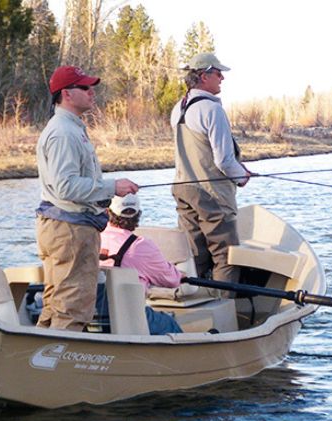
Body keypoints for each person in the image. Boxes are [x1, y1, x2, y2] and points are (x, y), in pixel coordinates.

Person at [35, 65, 138, 331]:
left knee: (57, 302)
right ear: (66, 94)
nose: (92, 92)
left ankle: (40, 364)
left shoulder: (69, 128)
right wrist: (112, 187)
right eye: (85, 87)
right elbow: (66, 187)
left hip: (65, 227)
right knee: (73, 306)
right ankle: (60, 366)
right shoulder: (63, 133)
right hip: (71, 230)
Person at [169, 52, 251, 289]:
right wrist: (242, 176)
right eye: (218, 73)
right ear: (204, 76)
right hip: (211, 194)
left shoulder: (179, 108)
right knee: (226, 256)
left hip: (184, 190)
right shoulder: (212, 110)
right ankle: (224, 311)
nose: (222, 78)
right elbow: (224, 160)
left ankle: (199, 304)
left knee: (194, 255)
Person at [99, 194, 183, 335]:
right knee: (168, 322)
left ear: (107, 212)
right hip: (128, 315)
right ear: (138, 214)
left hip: (94, 312)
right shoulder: (140, 246)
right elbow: (172, 280)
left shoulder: (94, 237)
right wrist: (181, 275)